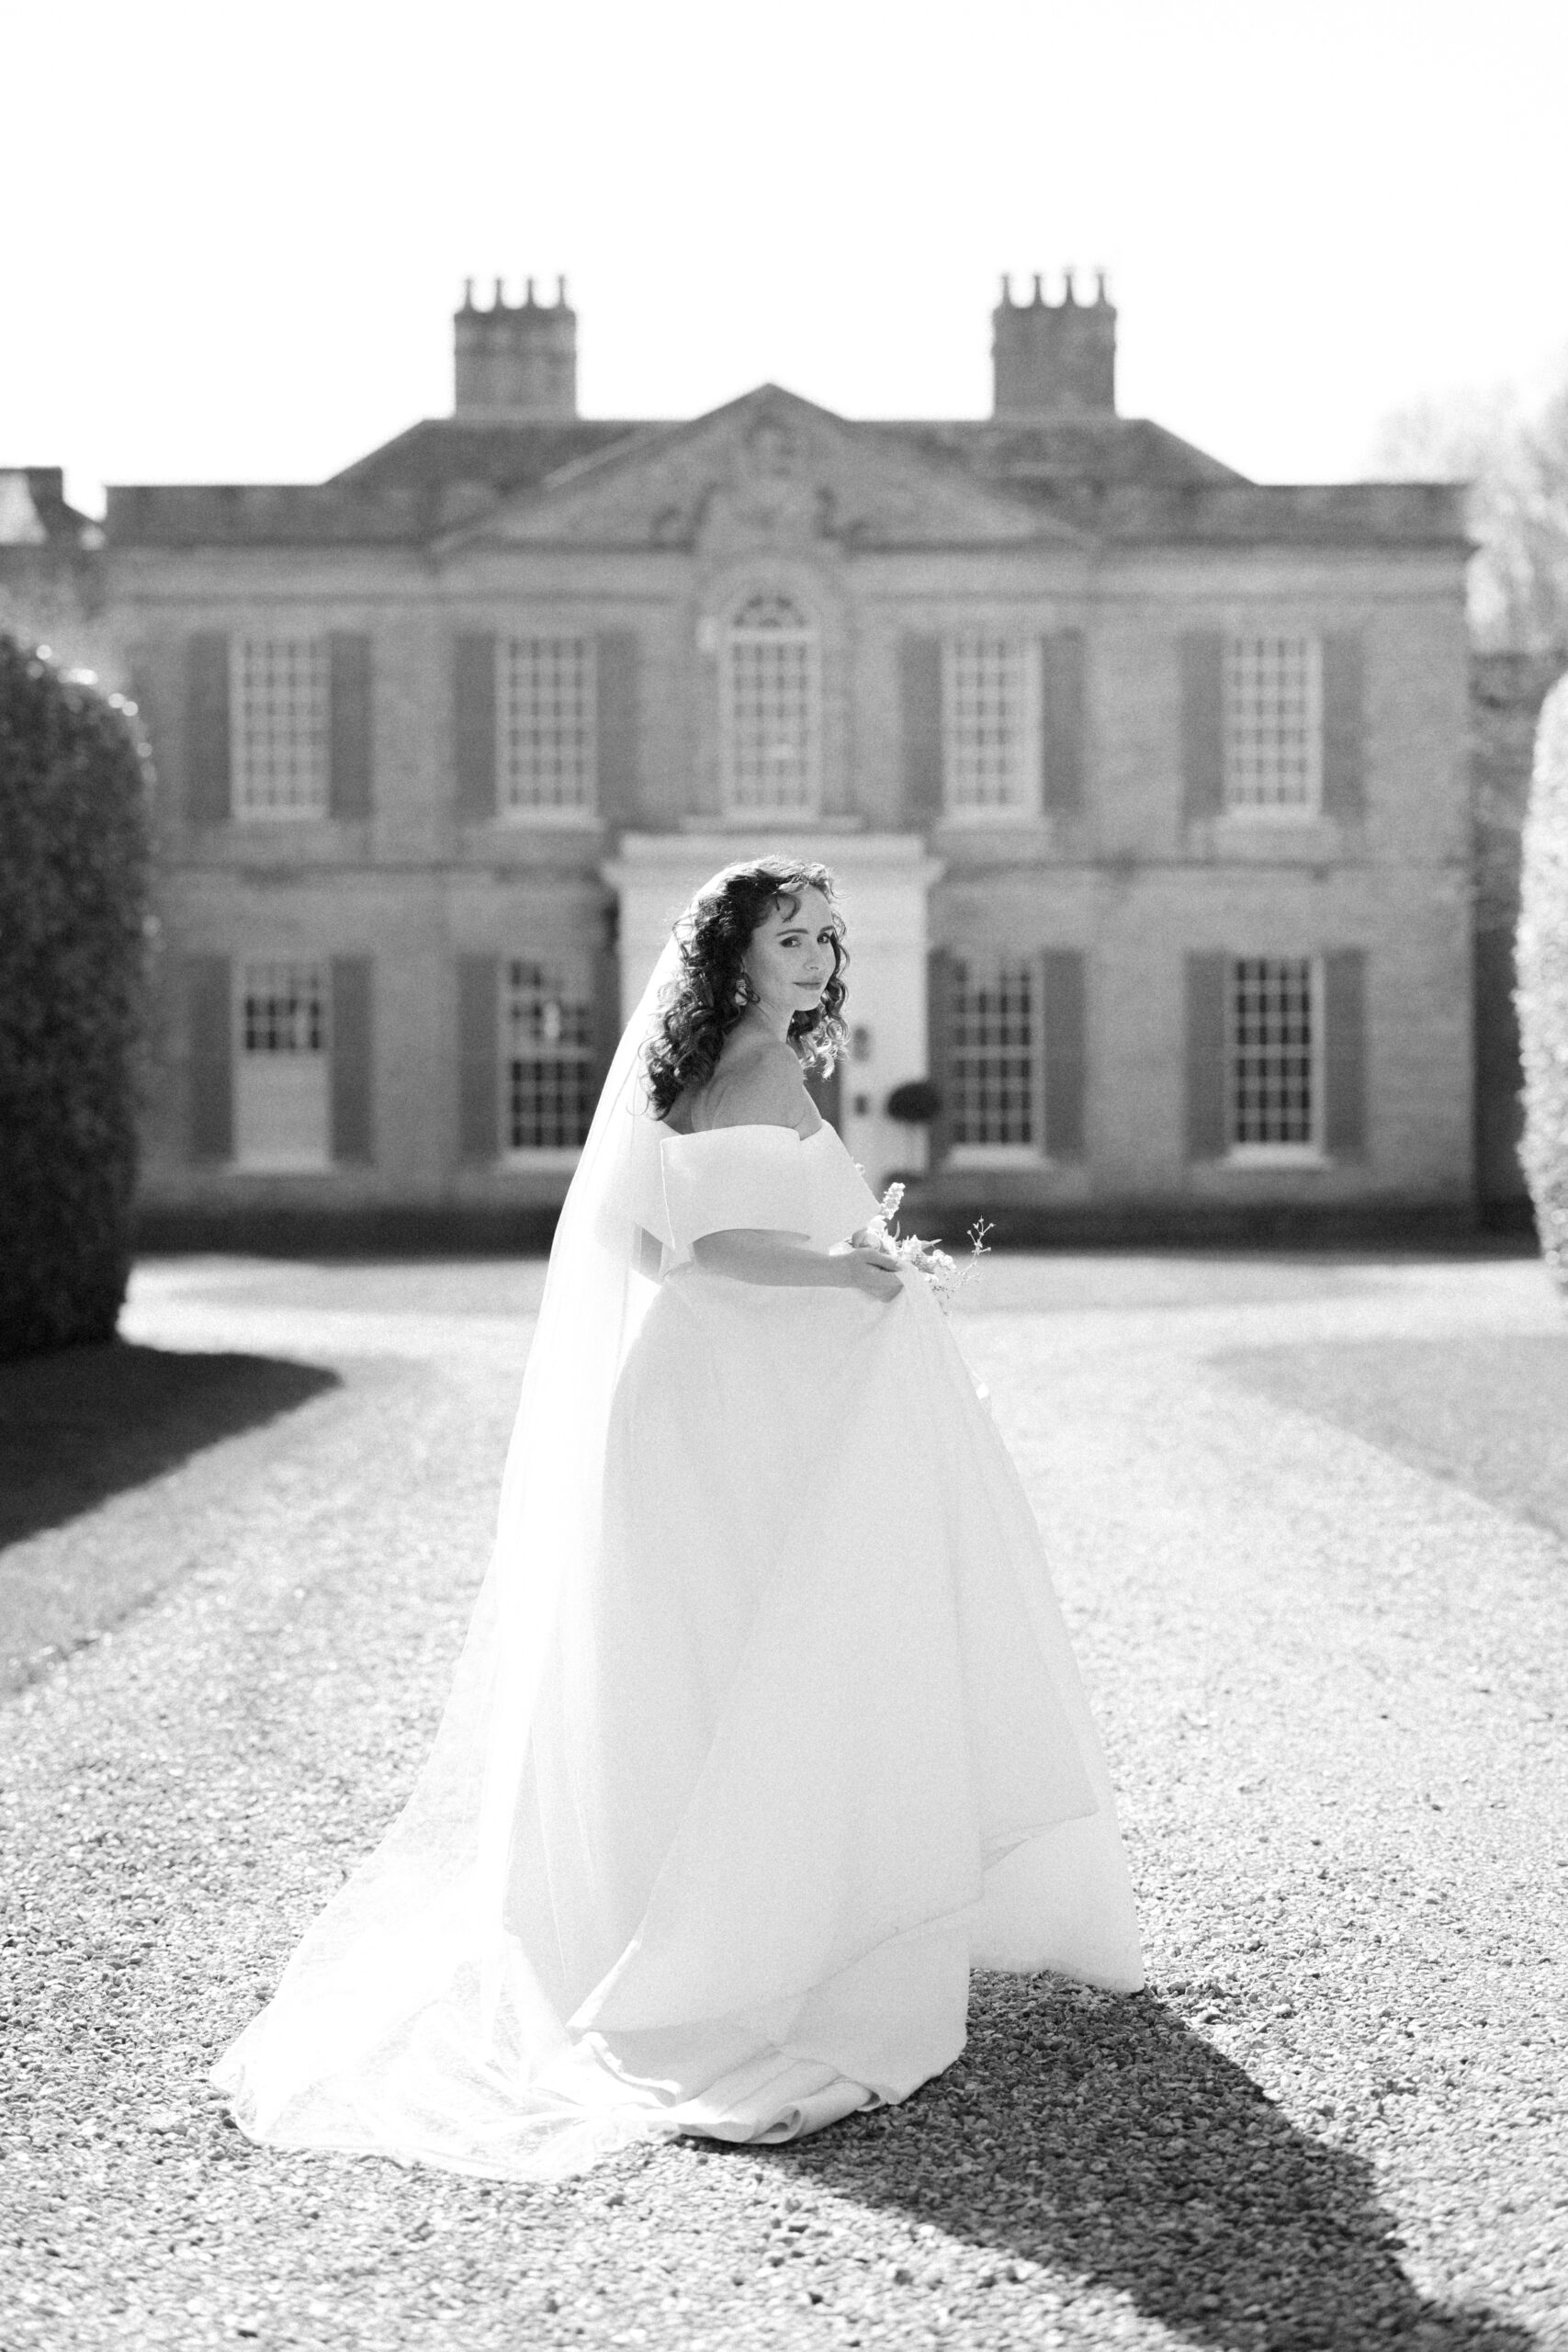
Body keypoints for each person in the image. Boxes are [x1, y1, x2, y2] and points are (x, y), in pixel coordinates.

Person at [212, 857, 1143, 2180]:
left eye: (828, 935)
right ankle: (743, 1940)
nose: (818, 956)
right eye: (791, 936)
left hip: (692, 1385)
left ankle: (680, 1913)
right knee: (760, 1644)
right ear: (738, 955)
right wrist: (854, 1266)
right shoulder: (761, 1069)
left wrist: (851, 1267)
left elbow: (653, 1251)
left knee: (698, 1651)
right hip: (727, 1398)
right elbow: (712, 1251)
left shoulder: (692, 1067)